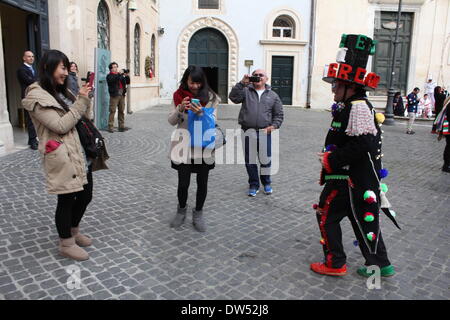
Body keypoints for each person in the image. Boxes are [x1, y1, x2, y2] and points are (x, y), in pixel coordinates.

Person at [312, 34, 399, 278]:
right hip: (356, 180)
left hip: (347, 179)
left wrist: (332, 159)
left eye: (336, 85)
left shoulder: (358, 105)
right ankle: (381, 264)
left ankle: (335, 262)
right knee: (363, 218)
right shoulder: (353, 105)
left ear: (350, 86)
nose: (333, 89)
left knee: (326, 214)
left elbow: (363, 143)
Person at [21, 50, 106, 261]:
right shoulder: (36, 96)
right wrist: (80, 103)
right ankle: (66, 243)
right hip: (61, 154)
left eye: (67, 68)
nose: (66, 73)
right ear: (48, 68)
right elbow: (60, 125)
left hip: (80, 151)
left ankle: (74, 231)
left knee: (86, 195)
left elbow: (83, 117)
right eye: (62, 68)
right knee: (66, 199)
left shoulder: (63, 91)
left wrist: (85, 98)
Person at [168, 66, 220, 232]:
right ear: (186, 80)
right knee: (183, 183)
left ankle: (198, 213)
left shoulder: (211, 98)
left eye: (198, 83)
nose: (195, 86)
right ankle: (181, 210)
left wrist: (201, 114)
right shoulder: (178, 96)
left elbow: (213, 122)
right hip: (184, 146)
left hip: (204, 146)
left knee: (202, 182)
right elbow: (171, 121)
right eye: (192, 82)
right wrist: (180, 109)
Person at [229, 69, 284, 197]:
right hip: (248, 131)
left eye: (261, 75)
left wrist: (274, 126)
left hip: (265, 132)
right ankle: (253, 184)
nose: (258, 77)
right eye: (255, 75)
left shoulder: (273, 95)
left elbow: (279, 114)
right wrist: (242, 83)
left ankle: (266, 182)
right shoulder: (245, 91)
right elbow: (233, 98)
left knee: (265, 159)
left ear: (266, 79)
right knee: (250, 160)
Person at [17, 51, 38, 150]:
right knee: (30, 119)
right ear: (24, 58)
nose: (31, 58)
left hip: (36, 95)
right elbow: (29, 81)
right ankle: (33, 141)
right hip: (28, 96)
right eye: (29, 56)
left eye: (32, 56)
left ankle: (33, 139)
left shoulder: (34, 69)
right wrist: (39, 82)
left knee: (36, 118)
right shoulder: (21, 69)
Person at [106, 62, 131, 133]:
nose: (116, 68)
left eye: (116, 67)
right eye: (114, 67)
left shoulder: (119, 75)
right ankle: (110, 127)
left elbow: (128, 82)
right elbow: (113, 80)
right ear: (111, 69)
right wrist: (120, 74)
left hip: (121, 95)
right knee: (112, 111)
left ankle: (121, 126)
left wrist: (126, 75)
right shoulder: (109, 76)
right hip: (114, 95)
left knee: (121, 111)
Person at [434, 97, 450, 172]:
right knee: (449, 147)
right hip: (448, 129)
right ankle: (446, 165)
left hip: (448, 129)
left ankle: (447, 165)